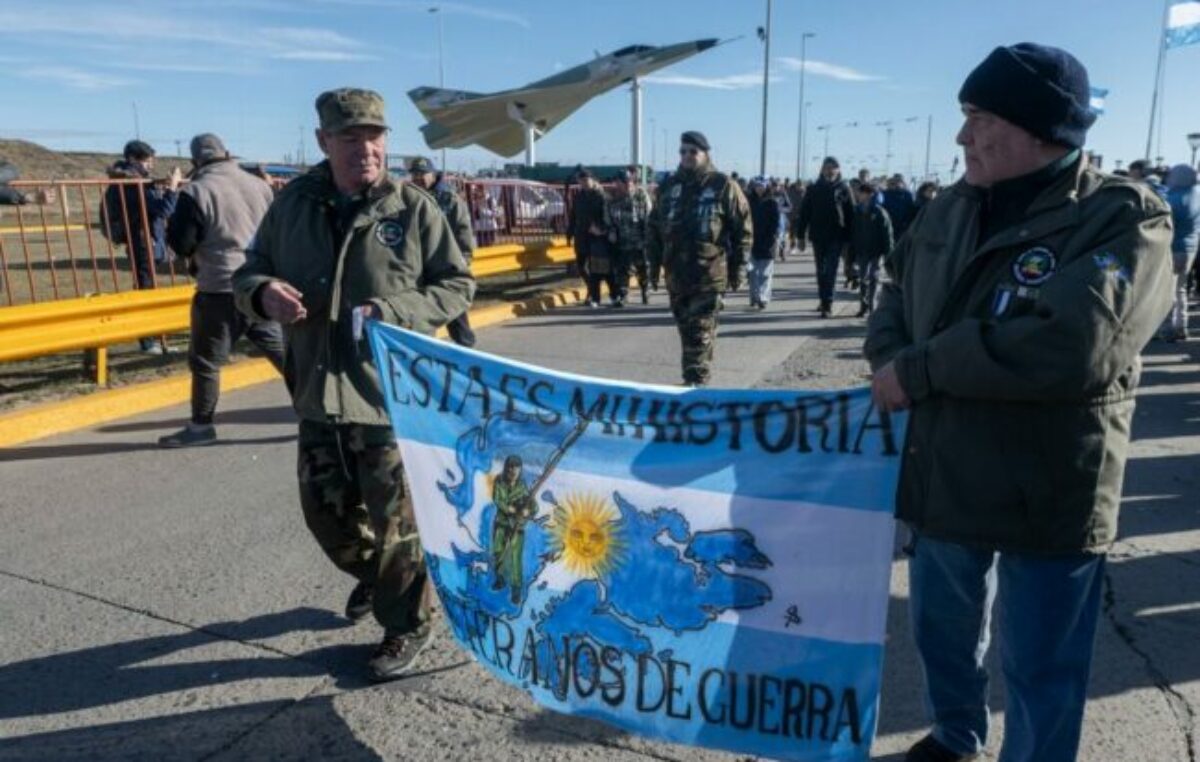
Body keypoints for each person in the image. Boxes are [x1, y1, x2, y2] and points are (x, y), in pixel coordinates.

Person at [865, 43, 1173, 762]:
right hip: (947, 472)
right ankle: (955, 735)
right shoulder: (948, 210)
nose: (962, 136)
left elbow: (1076, 344)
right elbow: (892, 293)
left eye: (979, 117)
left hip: (1049, 483)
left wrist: (919, 369)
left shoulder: (1124, 218)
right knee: (941, 631)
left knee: (1041, 665)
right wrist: (891, 357)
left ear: (1043, 130)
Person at [232, 88, 475, 682]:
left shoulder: (411, 208)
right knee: (328, 520)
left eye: (375, 136)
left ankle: (406, 625)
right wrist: (261, 293)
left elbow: (456, 285)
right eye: (350, 137)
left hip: (388, 400)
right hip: (316, 392)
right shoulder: (292, 205)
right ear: (323, 141)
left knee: (398, 527)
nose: (365, 148)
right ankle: (377, 581)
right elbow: (249, 269)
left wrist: (396, 312)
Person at [159, 133, 287, 448]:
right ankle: (318, 412)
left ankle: (201, 427)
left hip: (219, 287)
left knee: (206, 362)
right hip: (261, 285)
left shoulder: (196, 191)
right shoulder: (259, 186)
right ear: (227, 153)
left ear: (194, 162)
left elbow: (182, 242)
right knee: (284, 355)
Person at [647, 131, 751, 386]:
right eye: (683, 151)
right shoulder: (669, 187)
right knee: (688, 333)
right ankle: (696, 378)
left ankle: (695, 388)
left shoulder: (723, 185)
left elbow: (743, 230)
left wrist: (738, 268)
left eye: (693, 151)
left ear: (705, 154)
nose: (687, 156)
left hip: (709, 274)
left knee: (699, 335)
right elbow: (653, 229)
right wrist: (652, 267)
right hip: (676, 276)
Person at [105, 140, 181, 353]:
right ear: (132, 159)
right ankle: (148, 341)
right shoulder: (133, 181)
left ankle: (156, 338)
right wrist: (173, 187)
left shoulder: (131, 178)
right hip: (141, 240)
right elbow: (164, 209)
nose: (150, 165)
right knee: (145, 289)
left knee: (147, 287)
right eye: (147, 161)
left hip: (145, 238)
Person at [408, 157, 477, 346]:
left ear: (433, 174)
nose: (419, 178)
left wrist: (463, 258)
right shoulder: (410, 197)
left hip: (446, 261)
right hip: (419, 262)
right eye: (415, 174)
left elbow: (463, 230)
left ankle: (466, 349)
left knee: (453, 308)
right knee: (422, 310)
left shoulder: (449, 198)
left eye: (423, 174)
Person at [794, 156, 854, 317]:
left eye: (833, 167)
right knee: (821, 271)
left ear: (838, 170)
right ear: (822, 169)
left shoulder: (844, 189)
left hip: (837, 236)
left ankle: (828, 303)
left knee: (831, 270)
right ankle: (823, 298)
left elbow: (851, 215)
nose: (830, 170)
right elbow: (804, 213)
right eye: (827, 167)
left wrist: (851, 238)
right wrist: (800, 236)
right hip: (818, 236)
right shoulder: (814, 188)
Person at [605, 167, 654, 304]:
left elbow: (649, 216)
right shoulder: (613, 199)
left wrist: (648, 237)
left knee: (643, 267)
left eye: (629, 182)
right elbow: (608, 219)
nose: (627, 185)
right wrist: (611, 231)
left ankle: (645, 290)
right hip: (622, 240)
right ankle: (623, 294)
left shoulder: (641, 196)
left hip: (640, 240)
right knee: (623, 269)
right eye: (623, 182)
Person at [490, 455, 534, 605]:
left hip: (517, 527)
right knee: (498, 552)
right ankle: (500, 579)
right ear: (506, 468)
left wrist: (527, 511)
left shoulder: (522, 487)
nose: (513, 471)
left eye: (516, 468)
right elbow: (497, 499)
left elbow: (534, 506)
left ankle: (516, 590)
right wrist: (510, 509)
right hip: (502, 524)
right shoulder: (499, 481)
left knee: (515, 560)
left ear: (520, 469)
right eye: (510, 467)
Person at [1163, 163, 1199, 341]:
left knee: (1167, 290)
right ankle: (1181, 326)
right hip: (1191, 248)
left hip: (1173, 248)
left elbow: (1165, 224)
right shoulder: (1197, 195)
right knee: (1181, 289)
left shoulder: (1174, 198)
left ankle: (1167, 327)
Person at [569, 170, 614, 307]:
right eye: (581, 181)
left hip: (596, 237)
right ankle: (591, 289)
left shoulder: (601, 196)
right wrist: (569, 231)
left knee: (597, 269)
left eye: (586, 180)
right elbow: (573, 215)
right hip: (581, 236)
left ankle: (594, 295)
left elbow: (608, 217)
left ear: (593, 180)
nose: (583, 183)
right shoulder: (578, 196)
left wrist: (601, 229)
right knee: (581, 266)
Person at [850, 181, 893, 318]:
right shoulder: (857, 211)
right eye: (858, 193)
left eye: (861, 193)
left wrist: (888, 253)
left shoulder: (880, 212)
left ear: (869, 195)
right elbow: (853, 232)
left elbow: (888, 234)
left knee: (874, 277)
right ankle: (863, 305)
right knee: (862, 279)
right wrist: (852, 251)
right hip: (862, 250)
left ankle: (872, 306)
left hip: (876, 251)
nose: (858, 195)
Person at [746, 176, 781, 310]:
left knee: (765, 272)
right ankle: (754, 296)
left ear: (766, 186)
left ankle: (763, 297)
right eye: (757, 186)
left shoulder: (772, 202)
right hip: (752, 240)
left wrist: (774, 237)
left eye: (762, 185)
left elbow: (776, 222)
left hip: (768, 241)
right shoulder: (749, 201)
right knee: (752, 271)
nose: (759, 188)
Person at [882, 173, 917, 239]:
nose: (897, 183)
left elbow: (911, 210)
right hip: (889, 223)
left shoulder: (907, 194)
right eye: (895, 181)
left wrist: (907, 223)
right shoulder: (885, 193)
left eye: (899, 181)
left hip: (903, 226)